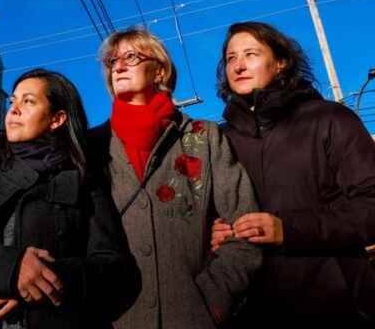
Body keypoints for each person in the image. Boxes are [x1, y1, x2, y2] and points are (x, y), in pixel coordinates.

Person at [211, 21, 375, 328]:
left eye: (250, 54)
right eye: (231, 58)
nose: (238, 65)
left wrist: (289, 229)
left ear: (281, 62)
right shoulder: (218, 141)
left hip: (341, 309)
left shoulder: (328, 118)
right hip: (253, 312)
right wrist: (213, 233)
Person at [0, 68, 141, 328]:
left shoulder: (84, 180)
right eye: (13, 101)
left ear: (57, 118)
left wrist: (43, 282)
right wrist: (11, 270)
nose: (13, 110)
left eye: (28, 101)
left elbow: (120, 275)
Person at [88, 26, 261, 329]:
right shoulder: (91, 146)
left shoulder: (204, 136)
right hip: (112, 320)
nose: (118, 66)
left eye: (130, 56)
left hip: (192, 317)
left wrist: (213, 299)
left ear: (159, 71)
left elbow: (245, 224)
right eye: (111, 61)